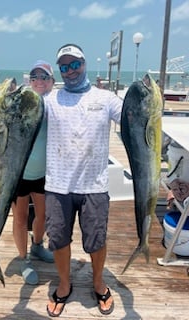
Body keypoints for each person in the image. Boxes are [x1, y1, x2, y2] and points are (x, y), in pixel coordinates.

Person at [44, 44, 123, 317]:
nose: (70, 71)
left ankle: (98, 282)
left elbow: (133, 117)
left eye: (74, 64)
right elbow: (26, 114)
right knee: (58, 238)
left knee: (97, 240)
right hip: (58, 185)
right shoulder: (50, 100)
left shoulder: (106, 98)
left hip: (95, 185)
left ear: (84, 63)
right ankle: (65, 285)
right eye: (64, 67)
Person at [11, 60, 55, 285]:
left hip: (43, 173)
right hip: (19, 173)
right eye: (35, 77)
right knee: (19, 219)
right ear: (30, 80)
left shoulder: (54, 104)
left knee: (43, 214)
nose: (39, 81)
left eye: (44, 77)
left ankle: (37, 246)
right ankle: (23, 259)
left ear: (51, 82)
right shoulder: (23, 100)